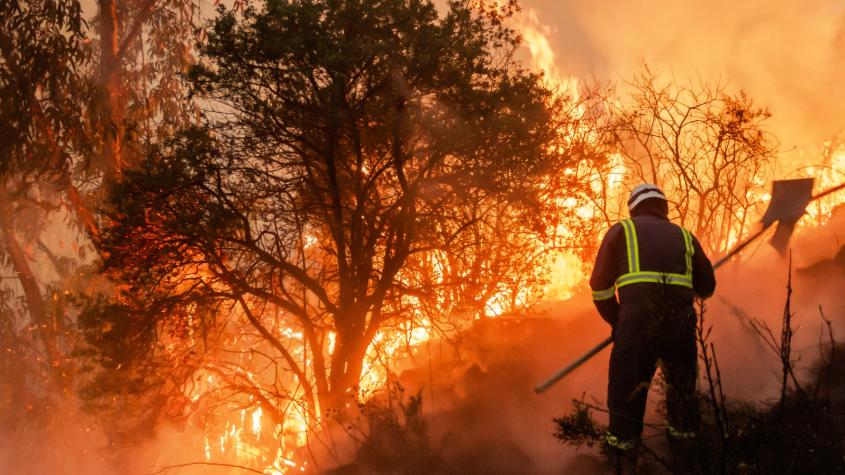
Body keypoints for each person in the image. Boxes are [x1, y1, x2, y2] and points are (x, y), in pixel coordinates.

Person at [589, 183, 716, 451]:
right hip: (680, 327)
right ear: (664, 208)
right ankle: (685, 457)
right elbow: (707, 289)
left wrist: (619, 321)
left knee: (627, 397)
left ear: (633, 209)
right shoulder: (685, 236)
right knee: (682, 395)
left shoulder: (621, 231)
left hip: (635, 328)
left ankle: (623, 459)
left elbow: (600, 288)